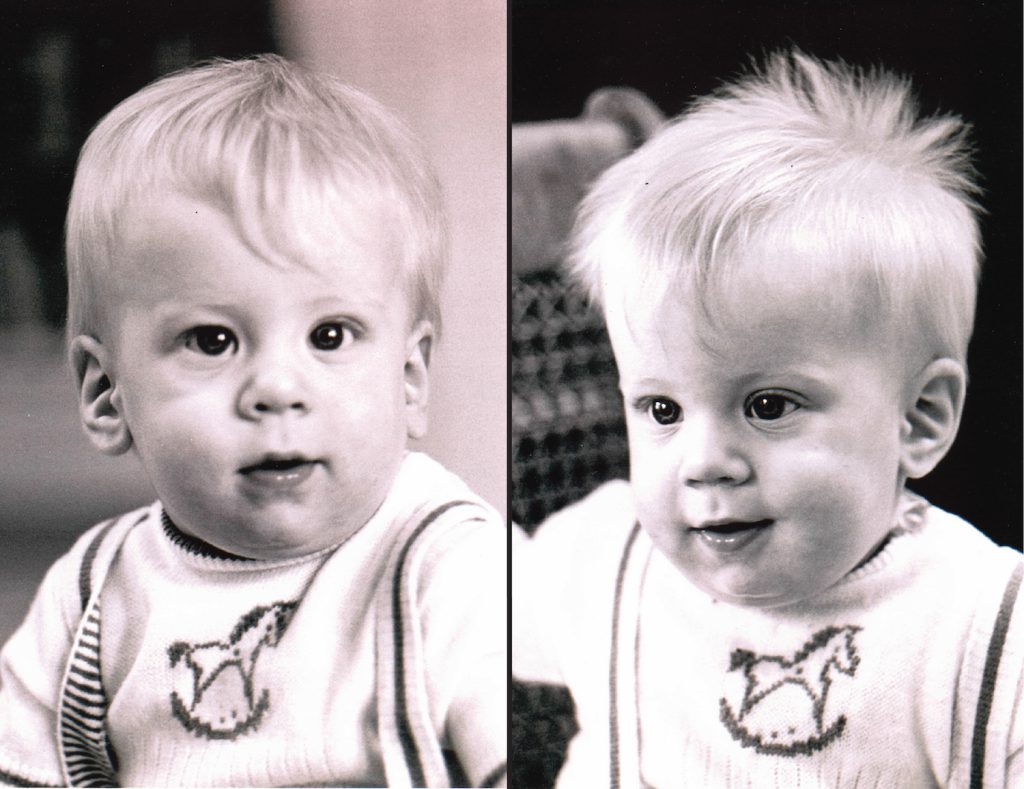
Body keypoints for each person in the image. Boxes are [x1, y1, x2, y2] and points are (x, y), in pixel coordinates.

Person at [513, 51, 1022, 788]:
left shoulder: (983, 631)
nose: (704, 462)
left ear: (919, 418)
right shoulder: (603, 560)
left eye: (768, 406)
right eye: (663, 409)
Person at [0, 55, 506, 788]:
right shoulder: (92, 595)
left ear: (409, 378)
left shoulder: (446, 561)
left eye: (329, 336)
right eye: (213, 340)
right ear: (107, 394)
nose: (276, 389)